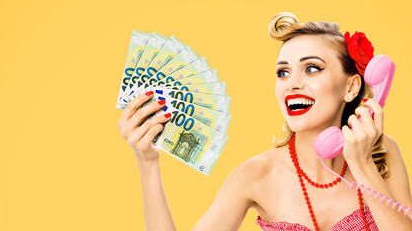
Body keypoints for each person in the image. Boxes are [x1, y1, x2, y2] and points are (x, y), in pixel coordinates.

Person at [116, 12, 412, 231]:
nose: (292, 83)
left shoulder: (384, 154)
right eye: (283, 72)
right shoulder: (256, 174)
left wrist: (362, 165)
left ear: (351, 87)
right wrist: (148, 163)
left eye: (312, 68)